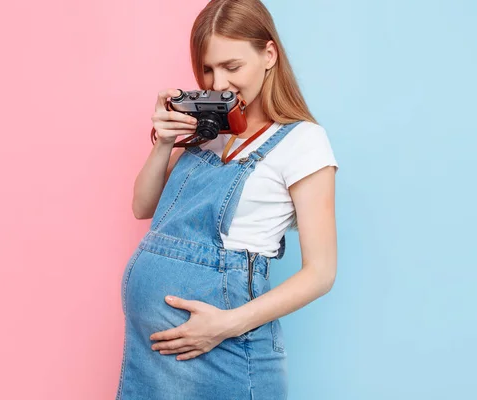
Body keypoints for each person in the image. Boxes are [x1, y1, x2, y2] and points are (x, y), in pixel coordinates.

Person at [116, 0, 338, 398]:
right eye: (207, 69)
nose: (218, 84)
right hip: (152, 354)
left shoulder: (304, 141)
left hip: (227, 348)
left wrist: (226, 324)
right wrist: (165, 142)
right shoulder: (207, 134)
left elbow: (320, 273)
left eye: (232, 67)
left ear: (269, 54)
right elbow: (143, 207)